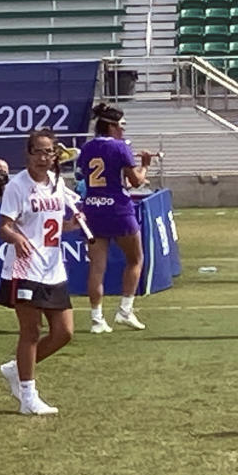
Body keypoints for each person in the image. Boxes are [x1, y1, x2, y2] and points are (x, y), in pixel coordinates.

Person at [0, 128, 81, 416]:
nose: (43, 158)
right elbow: (4, 227)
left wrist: (72, 224)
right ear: (28, 154)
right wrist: (17, 238)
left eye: (49, 152)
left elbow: (55, 227)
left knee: (64, 332)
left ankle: (15, 370)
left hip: (53, 267)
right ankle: (28, 397)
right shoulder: (17, 186)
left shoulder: (58, 183)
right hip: (25, 267)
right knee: (31, 331)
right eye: (38, 152)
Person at [77, 102, 153, 334]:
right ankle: (125, 309)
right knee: (135, 259)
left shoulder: (87, 148)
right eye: (121, 125)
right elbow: (136, 181)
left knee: (97, 268)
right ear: (111, 126)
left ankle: (97, 318)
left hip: (92, 208)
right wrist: (145, 166)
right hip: (118, 209)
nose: (123, 130)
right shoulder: (120, 148)